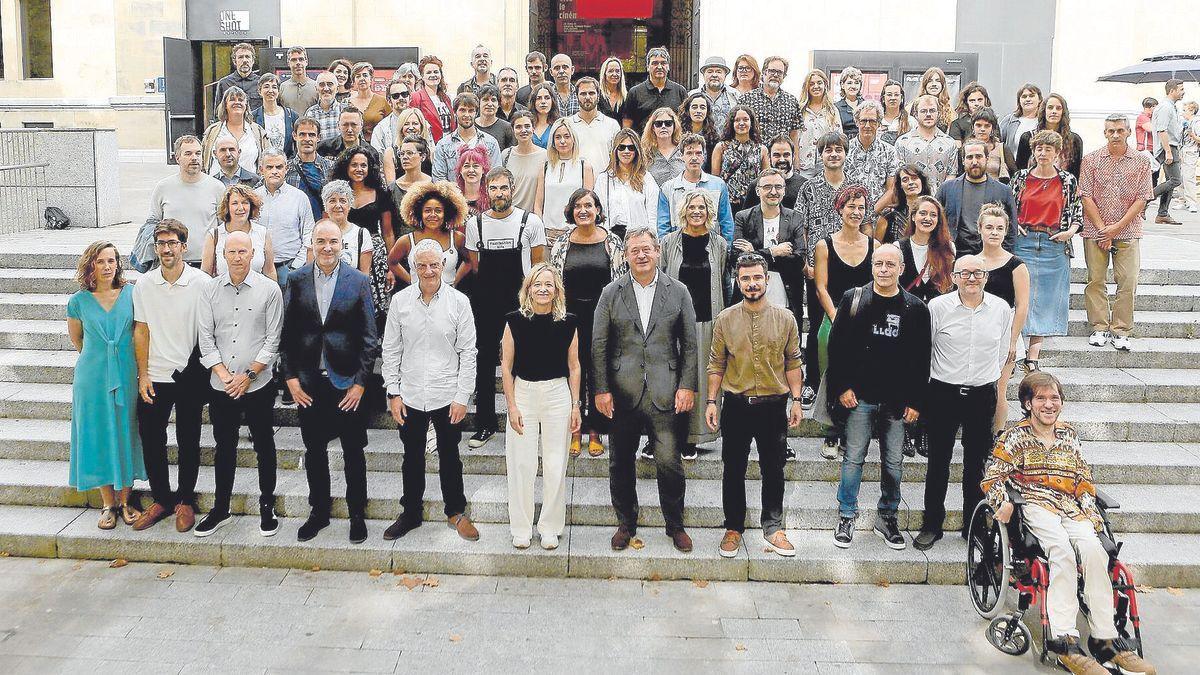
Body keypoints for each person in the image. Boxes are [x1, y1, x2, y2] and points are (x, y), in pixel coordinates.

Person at [981, 372, 1159, 675]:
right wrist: (1004, 502)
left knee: (1095, 550)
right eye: (1041, 399)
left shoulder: (1069, 435)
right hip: (1034, 504)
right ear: (1027, 403)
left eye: (1054, 398)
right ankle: (1065, 640)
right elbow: (992, 476)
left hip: (1070, 506)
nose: (1049, 405)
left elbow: (1083, 481)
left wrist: (1092, 514)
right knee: (1060, 553)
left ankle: (1106, 639)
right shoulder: (1016, 436)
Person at [593, 227, 698, 553]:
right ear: (625, 255)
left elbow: (691, 345)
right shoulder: (611, 293)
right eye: (634, 250)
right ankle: (626, 522)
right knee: (620, 461)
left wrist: (687, 385)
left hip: (665, 392)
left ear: (657, 253)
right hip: (622, 393)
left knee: (669, 462)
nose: (641, 255)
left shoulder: (678, 291)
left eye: (646, 249)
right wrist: (600, 389)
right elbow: (599, 344)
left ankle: (675, 524)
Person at [827, 243, 931, 549]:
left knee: (894, 463)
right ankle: (847, 515)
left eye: (890, 265)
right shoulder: (854, 298)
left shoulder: (915, 308)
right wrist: (842, 387)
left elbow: (921, 358)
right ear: (871, 266)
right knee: (853, 458)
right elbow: (836, 348)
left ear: (901, 269)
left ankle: (888, 517)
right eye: (878, 264)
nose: (883, 270)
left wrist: (917, 401)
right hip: (859, 397)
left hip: (897, 401)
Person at [281, 220, 379, 544]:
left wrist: (361, 384)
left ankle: (356, 514)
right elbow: (288, 336)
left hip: (347, 383)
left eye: (333, 242)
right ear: (312, 243)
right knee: (314, 451)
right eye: (321, 241)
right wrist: (291, 379)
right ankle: (319, 511)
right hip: (309, 384)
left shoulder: (358, 281)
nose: (327, 248)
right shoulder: (296, 281)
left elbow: (369, 339)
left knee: (353, 451)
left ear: (342, 244)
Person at [381, 238, 480, 542]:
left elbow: (468, 352)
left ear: (443, 266)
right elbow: (391, 350)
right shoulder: (400, 302)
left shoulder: (459, 303)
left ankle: (456, 511)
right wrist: (393, 393)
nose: (428, 271)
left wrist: (463, 396)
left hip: (446, 394)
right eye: (421, 265)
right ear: (413, 267)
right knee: (412, 457)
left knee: (450, 455)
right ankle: (411, 512)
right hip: (410, 393)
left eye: (433, 265)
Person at [707, 252, 803, 557]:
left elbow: (793, 362)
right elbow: (716, 363)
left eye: (757, 277)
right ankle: (733, 527)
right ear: (738, 281)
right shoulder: (726, 319)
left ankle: (773, 527)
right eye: (745, 278)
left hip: (774, 407)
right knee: (732, 468)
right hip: (736, 405)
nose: (752, 284)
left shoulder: (785, 318)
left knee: (773, 468)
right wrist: (711, 401)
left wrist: (797, 401)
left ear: (767, 279)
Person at [911, 253, 1010, 550]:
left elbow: (1004, 350)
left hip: (981, 395)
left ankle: (973, 527)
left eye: (977, 273)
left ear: (986, 277)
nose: (971, 278)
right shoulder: (937, 307)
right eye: (964, 273)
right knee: (938, 462)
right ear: (954, 277)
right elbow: (924, 351)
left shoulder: (1001, 309)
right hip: (943, 393)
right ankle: (932, 525)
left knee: (976, 464)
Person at [195, 231, 283, 537]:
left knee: (264, 445)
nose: (237, 257)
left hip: (258, 384)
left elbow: (273, 339)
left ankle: (267, 504)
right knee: (224, 446)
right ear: (223, 254)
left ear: (252, 253)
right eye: (231, 252)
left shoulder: (269, 290)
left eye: (243, 251)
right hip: (221, 386)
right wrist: (224, 375)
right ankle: (221, 508)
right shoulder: (209, 291)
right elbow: (205, 339)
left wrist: (248, 376)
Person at [131, 221, 209, 533]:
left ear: (183, 246)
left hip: (189, 375)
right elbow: (141, 330)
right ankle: (162, 499)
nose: (166, 248)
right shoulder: (145, 285)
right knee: (151, 438)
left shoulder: (201, 282)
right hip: (156, 375)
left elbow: (208, 331)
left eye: (172, 242)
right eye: (161, 243)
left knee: (189, 439)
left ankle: (186, 501)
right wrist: (143, 374)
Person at [465, 167, 548, 449]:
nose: (499, 193)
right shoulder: (474, 224)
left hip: (520, 302)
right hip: (486, 302)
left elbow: (538, 265)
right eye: (493, 188)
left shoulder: (530, 222)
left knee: (527, 361)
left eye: (503, 188)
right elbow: (475, 265)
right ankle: (485, 424)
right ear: (486, 192)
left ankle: (527, 422)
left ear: (512, 189)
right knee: (484, 362)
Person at [500, 263, 580, 549]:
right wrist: (511, 406)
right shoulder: (514, 320)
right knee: (522, 463)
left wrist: (575, 405)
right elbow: (506, 366)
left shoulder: (569, 321)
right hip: (524, 393)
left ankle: (550, 526)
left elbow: (574, 366)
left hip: (558, 393)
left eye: (548, 284)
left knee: (556, 463)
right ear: (528, 289)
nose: (543, 289)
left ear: (556, 289)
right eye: (537, 284)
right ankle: (521, 527)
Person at [68, 241, 145, 529]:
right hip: (92, 377)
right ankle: (108, 504)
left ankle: (126, 501)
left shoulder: (131, 294)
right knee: (98, 434)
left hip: (125, 372)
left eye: (112, 260)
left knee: (125, 431)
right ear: (91, 265)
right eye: (101, 261)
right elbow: (78, 341)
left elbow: (140, 333)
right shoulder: (78, 301)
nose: (108, 266)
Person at [548, 188, 626, 457]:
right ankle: (574, 430)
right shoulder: (561, 244)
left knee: (598, 373)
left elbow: (620, 283)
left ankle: (595, 431)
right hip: (569, 318)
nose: (583, 210)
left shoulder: (612, 242)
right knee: (572, 372)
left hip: (603, 317)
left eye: (589, 205)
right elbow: (554, 283)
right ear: (571, 211)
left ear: (597, 210)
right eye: (578, 206)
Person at [661, 189, 729, 460]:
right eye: (692, 207)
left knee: (700, 378)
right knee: (670, 377)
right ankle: (664, 436)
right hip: (673, 320)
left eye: (701, 207)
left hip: (707, 320)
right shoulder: (668, 242)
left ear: (709, 212)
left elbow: (723, 281)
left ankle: (694, 436)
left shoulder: (719, 244)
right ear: (683, 211)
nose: (697, 212)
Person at [1080, 114, 1154, 353]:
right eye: (1110, 130)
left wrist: (1116, 227)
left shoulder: (1142, 162)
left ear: (1129, 132)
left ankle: (1121, 330)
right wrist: (1104, 229)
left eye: (1120, 130)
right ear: (1104, 132)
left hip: (1128, 230)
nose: (1115, 135)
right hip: (1095, 229)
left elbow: (1142, 198)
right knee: (1096, 280)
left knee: (1128, 280)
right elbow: (1086, 196)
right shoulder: (1091, 160)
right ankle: (1099, 326)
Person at [813, 184, 876, 459]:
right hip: (835, 315)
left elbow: (878, 285)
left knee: (862, 373)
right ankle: (831, 432)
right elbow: (820, 287)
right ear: (840, 209)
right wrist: (837, 318)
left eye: (861, 207)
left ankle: (854, 431)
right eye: (851, 206)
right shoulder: (824, 245)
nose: (856, 212)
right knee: (832, 369)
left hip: (866, 318)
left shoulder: (875, 245)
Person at [1012, 130, 1082, 371]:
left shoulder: (1067, 180)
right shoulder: (1021, 178)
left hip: (1054, 242)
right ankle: (1016, 352)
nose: (1043, 153)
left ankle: (1033, 357)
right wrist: (1015, 225)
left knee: (1047, 299)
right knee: (1023, 296)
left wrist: (1070, 231)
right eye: (1039, 149)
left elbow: (1076, 212)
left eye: (1048, 149)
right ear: (1033, 151)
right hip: (1025, 241)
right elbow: (1010, 207)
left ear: (1057, 153)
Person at [795, 132, 852, 410]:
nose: (833, 154)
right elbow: (801, 227)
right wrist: (806, 262)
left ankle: (847, 378)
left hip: (850, 265)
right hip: (818, 266)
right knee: (818, 324)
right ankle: (813, 383)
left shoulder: (854, 187)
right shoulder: (809, 188)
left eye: (838, 150)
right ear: (820, 155)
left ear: (845, 153)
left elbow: (866, 224)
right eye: (828, 150)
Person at [978, 205, 1030, 434]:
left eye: (999, 228)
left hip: (1005, 330)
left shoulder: (1016, 265)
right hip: (976, 327)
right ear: (979, 229)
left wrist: (1012, 340)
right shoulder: (971, 262)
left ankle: (996, 436)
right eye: (989, 227)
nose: (994, 232)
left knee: (999, 387)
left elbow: (1022, 306)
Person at [733, 168, 805, 324]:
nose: (773, 191)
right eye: (767, 187)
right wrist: (773, 251)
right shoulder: (743, 218)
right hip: (749, 298)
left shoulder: (795, 218)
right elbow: (737, 259)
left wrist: (755, 254)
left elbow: (799, 260)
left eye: (778, 187)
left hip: (786, 299)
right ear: (758, 191)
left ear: (784, 190)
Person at [331, 146, 394, 320]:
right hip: (344, 250)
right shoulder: (337, 195)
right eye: (354, 165)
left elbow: (388, 233)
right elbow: (327, 224)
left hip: (375, 254)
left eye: (363, 165)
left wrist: (391, 266)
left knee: (375, 304)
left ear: (369, 167)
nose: (359, 169)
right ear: (346, 167)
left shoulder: (380, 193)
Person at [148, 135, 226, 266]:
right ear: (177, 158)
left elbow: (223, 226)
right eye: (188, 154)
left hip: (206, 263)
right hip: (172, 262)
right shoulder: (163, 187)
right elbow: (153, 223)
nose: (194, 158)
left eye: (198, 153)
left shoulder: (217, 187)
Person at [936, 138, 1017, 254]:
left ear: (987, 159)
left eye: (979, 156)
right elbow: (936, 221)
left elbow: (1011, 231)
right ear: (963, 161)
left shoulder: (1003, 191)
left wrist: (1003, 259)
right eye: (969, 157)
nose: (974, 161)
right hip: (955, 253)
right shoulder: (947, 188)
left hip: (990, 254)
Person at [389, 180, 470, 288]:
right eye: (427, 211)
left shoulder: (457, 238)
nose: (433, 215)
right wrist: (412, 281)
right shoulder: (407, 240)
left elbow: (469, 261)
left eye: (438, 210)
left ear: (447, 213)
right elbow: (392, 262)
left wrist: (454, 281)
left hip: (449, 298)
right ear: (419, 213)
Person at [657, 133, 735, 244]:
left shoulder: (718, 185)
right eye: (689, 153)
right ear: (681, 156)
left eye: (698, 153)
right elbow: (663, 226)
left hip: (711, 246)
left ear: (704, 156)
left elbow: (726, 222)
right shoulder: (667, 188)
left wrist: (727, 250)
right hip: (678, 247)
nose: (694, 158)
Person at [255, 149, 314, 287]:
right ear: (261, 169)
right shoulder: (253, 198)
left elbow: (308, 233)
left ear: (286, 169)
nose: (274, 171)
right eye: (269, 167)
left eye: (279, 167)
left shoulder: (300, 198)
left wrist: (296, 266)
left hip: (289, 267)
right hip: (259, 269)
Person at [200, 184, 278, 282]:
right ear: (227, 207)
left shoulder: (263, 233)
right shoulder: (214, 236)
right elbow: (205, 275)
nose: (240, 208)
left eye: (245, 203)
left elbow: (270, 271)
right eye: (235, 203)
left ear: (251, 206)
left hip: (257, 293)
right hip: (223, 294)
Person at [594, 127, 660, 239]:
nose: (626, 151)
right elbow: (598, 214)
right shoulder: (604, 179)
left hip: (639, 239)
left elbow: (652, 216)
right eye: (621, 147)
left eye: (631, 148)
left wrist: (652, 241)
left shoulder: (647, 179)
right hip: (610, 238)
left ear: (637, 151)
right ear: (615, 150)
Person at [535, 118, 595, 241]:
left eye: (567, 136)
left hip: (576, 232)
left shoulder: (584, 166)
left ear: (573, 139)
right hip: (547, 232)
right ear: (552, 141)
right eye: (558, 137)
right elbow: (538, 204)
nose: (562, 141)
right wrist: (540, 227)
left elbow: (589, 204)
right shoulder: (545, 167)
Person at [305, 181, 373, 276]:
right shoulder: (314, 233)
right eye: (332, 200)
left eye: (343, 201)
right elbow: (310, 274)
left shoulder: (361, 234)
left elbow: (364, 277)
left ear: (349, 206)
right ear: (325, 205)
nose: (338, 205)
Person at [431, 93, 503, 182]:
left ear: (476, 113)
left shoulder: (490, 143)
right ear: (455, 112)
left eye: (471, 110)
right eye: (462, 110)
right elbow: (439, 180)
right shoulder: (443, 145)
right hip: (452, 194)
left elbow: (496, 177)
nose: (467, 115)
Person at [896, 196, 955, 303]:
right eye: (923, 213)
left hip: (938, 311)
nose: (928, 218)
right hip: (908, 311)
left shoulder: (949, 247)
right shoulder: (898, 247)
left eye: (933, 215)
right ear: (913, 216)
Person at [711, 105, 769, 214]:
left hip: (753, 204)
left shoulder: (762, 149)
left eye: (745, 119)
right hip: (727, 203)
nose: (741, 123)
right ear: (731, 124)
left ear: (751, 122)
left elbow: (767, 179)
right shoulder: (721, 147)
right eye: (737, 120)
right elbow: (715, 180)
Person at [896, 94, 959, 192]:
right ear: (916, 114)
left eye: (932, 110)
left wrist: (940, 196)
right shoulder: (903, 142)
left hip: (940, 202)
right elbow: (899, 175)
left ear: (939, 113)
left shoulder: (949, 143)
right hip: (911, 200)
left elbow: (952, 175)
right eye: (923, 111)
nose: (928, 114)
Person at [737, 56, 803, 150]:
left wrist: (796, 164)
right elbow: (739, 132)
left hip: (781, 159)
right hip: (754, 158)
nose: (775, 75)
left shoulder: (792, 101)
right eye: (772, 71)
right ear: (764, 72)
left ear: (784, 76)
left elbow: (794, 136)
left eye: (779, 72)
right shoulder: (746, 99)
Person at [844, 100, 900, 209]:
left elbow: (891, 189)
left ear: (879, 123)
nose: (867, 125)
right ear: (856, 122)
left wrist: (872, 213)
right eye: (863, 121)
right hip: (849, 214)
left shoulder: (889, 151)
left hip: (879, 214)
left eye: (872, 121)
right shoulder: (845, 150)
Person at [1014, 93, 1084, 179]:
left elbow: (1076, 173)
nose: (1054, 111)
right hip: (1032, 187)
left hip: (1062, 188)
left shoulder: (1074, 140)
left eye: (1058, 108)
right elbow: (1020, 169)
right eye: (1050, 107)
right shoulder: (1028, 137)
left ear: (1063, 112)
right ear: (1044, 111)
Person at [202, 86, 267, 176]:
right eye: (232, 99)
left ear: (246, 105)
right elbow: (202, 160)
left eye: (240, 100)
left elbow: (267, 161)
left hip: (249, 186)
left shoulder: (258, 132)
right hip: (218, 186)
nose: (237, 102)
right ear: (225, 105)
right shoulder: (212, 131)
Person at [624, 47, 687, 133]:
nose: (659, 67)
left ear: (668, 67)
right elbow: (627, 123)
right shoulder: (635, 92)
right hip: (643, 144)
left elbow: (686, 121)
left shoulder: (680, 91)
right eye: (655, 63)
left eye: (663, 63)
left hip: (674, 144)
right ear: (647, 67)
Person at [567, 76, 620, 174]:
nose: (587, 97)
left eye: (591, 93)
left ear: (598, 96)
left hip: (603, 184)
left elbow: (617, 158)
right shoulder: (567, 125)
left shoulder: (612, 125)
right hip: (575, 184)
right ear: (576, 96)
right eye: (583, 94)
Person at [1151, 79, 1186, 225]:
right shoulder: (1166, 107)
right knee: (1175, 180)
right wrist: (1168, 152)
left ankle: (1163, 213)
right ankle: (1146, 197)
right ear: (1172, 91)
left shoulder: (1171, 107)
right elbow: (1162, 130)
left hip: (1172, 146)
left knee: (1170, 181)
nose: (1183, 92)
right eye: (1181, 89)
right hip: (1168, 147)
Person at [285, 117, 334, 220]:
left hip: (323, 227)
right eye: (302, 134)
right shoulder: (285, 169)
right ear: (294, 136)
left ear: (319, 137)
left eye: (311, 135)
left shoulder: (331, 167)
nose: (307, 139)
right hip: (294, 227)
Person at [741, 135, 807, 211]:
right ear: (769, 157)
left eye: (786, 155)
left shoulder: (804, 185)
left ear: (793, 156)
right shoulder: (756, 185)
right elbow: (747, 218)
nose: (782, 160)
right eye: (777, 155)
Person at [502, 110, 548, 212]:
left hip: (533, 216)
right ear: (513, 130)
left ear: (533, 128)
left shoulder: (545, 156)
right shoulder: (506, 155)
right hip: (509, 214)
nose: (523, 130)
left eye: (527, 126)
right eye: (518, 127)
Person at [874, 163, 931, 244]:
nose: (910, 182)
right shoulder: (889, 214)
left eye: (914, 178)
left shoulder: (933, 212)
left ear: (922, 181)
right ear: (900, 185)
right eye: (905, 180)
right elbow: (877, 245)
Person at [388, 135, 433, 238]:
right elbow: (388, 229)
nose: (405, 157)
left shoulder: (433, 185)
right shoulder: (392, 189)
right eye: (402, 154)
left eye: (410, 153)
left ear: (423, 156)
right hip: (401, 245)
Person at [797, 69, 838, 179]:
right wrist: (795, 161)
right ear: (807, 87)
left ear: (825, 84)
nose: (816, 86)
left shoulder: (832, 110)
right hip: (804, 164)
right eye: (812, 84)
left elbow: (839, 138)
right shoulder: (800, 110)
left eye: (819, 83)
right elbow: (794, 137)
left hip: (826, 163)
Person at [381, 109, 436, 183]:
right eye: (406, 124)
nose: (410, 127)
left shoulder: (431, 152)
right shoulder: (391, 153)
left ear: (421, 126)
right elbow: (391, 187)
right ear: (401, 127)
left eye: (415, 123)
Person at [409, 55, 455, 143]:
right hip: (429, 145)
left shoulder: (446, 98)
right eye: (429, 72)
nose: (433, 75)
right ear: (422, 76)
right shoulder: (416, 97)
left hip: (449, 145)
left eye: (436, 72)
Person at [212, 43, 262, 120]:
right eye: (240, 57)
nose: (244, 60)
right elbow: (218, 114)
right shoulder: (224, 83)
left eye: (247, 57)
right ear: (235, 61)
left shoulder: (261, 83)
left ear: (253, 61)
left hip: (255, 128)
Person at [253, 73, 298, 157]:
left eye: (274, 87)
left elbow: (296, 144)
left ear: (278, 91)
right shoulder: (253, 117)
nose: (270, 90)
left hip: (287, 165)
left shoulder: (292, 115)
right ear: (259, 91)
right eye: (266, 87)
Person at [999, 83, 1043, 168]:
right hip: (1012, 168)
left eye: (1031, 96)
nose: (1028, 99)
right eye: (1024, 96)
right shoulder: (1009, 120)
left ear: (1040, 99)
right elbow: (999, 142)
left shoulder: (1043, 122)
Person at [369, 78, 414, 158]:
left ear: (410, 98)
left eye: (404, 94)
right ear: (389, 101)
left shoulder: (422, 123)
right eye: (395, 96)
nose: (401, 98)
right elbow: (377, 158)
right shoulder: (381, 128)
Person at [691, 55, 739, 131]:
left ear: (725, 75)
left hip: (727, 142)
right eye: (710, 71)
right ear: (703, 75)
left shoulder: (735, 95)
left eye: (718, 72)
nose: (714, 75)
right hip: (699, 142)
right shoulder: (691, 95)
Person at [642, 107, 685, 188]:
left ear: (674, 126)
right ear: (653, 128)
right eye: (658, 124)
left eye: (668, 123)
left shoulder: (684, 150)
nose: (663, 126)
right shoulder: (645, 153)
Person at [965, 107, 1011, 182]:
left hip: (996, 191)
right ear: (972, 127)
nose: (982, 129)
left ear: (992, 128)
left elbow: (1014, 174)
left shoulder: (1001, 148)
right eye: (978, 125)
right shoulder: (966, 149)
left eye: (987, 126)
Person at [680, 91, 719, 168]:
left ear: (707, 111)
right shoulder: (678, 134)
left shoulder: (713, 138)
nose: (698, 111)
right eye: (694, 107)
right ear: (688, 110)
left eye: (702, 107)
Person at [304, 72, 344, 143]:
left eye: (330, 84)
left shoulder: (345, 111)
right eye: (322, 85)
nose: (326, 88)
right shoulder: (310, 113)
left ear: (337, 89)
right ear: (316, 89)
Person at [279, 46, 318, 116]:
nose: (298, 63)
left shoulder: (316, 86)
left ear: (306, 62)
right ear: (288, 63)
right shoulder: (282, 87)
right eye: (294, 60)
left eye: (301, 59)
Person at [475, 85, 516, 151]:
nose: (490, 104)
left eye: (493, 100)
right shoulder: (471, 126)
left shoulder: (506, 127)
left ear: (498, 104)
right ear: (478, 103)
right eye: (485, 100)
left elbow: (511, 153)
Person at [455, 144, 491, 217]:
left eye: (476, 166)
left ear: (483, 170)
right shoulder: (454, 197)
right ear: (460, 170)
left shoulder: (491, 197)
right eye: (466, 166)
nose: (471, 170)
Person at [879, 79, 916, 146]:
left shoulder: (910, 121)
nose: (893, 98)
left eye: (896, 95)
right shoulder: (877, 120)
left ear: (901, 98)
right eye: (889, 95)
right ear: (883, 98)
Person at [529, 82, 561, 149]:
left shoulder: (559, 124)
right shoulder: (527, 124)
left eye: (547, 98)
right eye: (539, 98)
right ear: (533, 102)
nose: (543, 101)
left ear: (553, 101)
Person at [1181, 101, 1200, 213]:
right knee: (1182, 177)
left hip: (1191, 151)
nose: (1183, 113)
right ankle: (1183, 200)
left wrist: (1192, 135)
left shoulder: (1196, 122)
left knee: (1189, 177)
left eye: (1185, 110)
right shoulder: (1186, 122)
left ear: (1192, 111)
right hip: (1183, 150)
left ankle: (1192, 202)